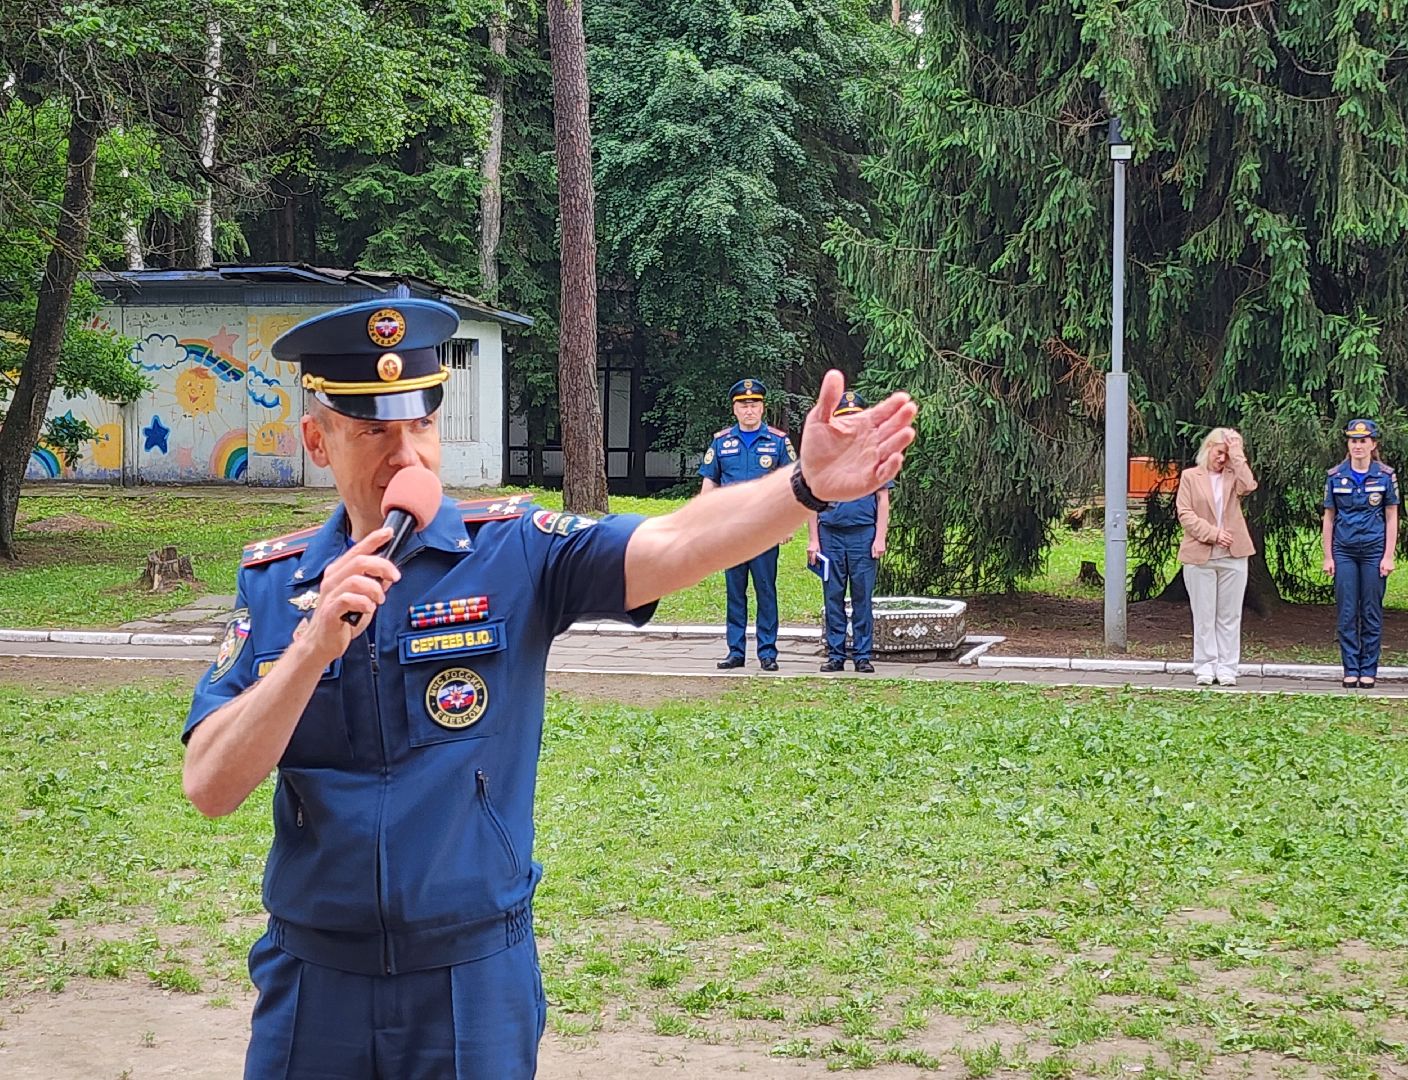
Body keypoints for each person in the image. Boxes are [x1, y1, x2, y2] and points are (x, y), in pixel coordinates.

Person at [180, 297, 917, 1080]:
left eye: (421, 425)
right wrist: (310, 647)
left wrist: (803, 488)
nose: (406, 456)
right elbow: (210, 783)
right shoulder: (276, 583)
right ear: (317, 441)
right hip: (315, 984)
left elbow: (672, 540)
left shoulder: (512, 553)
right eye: (373, 432)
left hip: (470, 977)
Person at [697, 377, 796, 671]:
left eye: (754, 405)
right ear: (735, 409)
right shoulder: (721, 441)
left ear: (763, 408)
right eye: (743, 405)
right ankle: (735, 651)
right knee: (735, 591)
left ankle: (767, 652)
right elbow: (709, 482)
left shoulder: (778, 441)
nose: (749, 410)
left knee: (766, 591)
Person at [806, 390, 891, 673]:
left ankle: (863, 656)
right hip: (830, 536)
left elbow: (882, 499)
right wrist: (814, 540)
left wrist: (880, 537)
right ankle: (835, 654)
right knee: (833, 596)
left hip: (863, 536)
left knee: (862, 598)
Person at [1175, 428, 1256, 686]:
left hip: (1233, 555)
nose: (1222, 459)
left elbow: (1249, 486)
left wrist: (1238, 454)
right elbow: (1185, 513)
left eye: (1227, 454)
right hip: (1200, 554)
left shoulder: (1234, 475)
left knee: (1229, 615)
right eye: (1220, 452)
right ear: (1208, 448)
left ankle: (1228, 667)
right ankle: (1205, 666)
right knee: (1204, 613)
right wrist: (1213, 534)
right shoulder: (1190, 476)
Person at [1322, 418, 1399, 689]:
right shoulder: (1335, 475)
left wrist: (1388, 555)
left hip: (1373, 550)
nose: (1358, 445)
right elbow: (1329, 518)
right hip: (1344, 551)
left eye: (1363, 441)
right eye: (1353, 441)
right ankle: (1350, 668)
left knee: (1370, 610)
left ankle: (1368, 669)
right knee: (1346, 611)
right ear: (1348, 445)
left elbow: (1391, 517)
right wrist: (1328, 556)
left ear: (1373, 444)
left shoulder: (1385, 476)